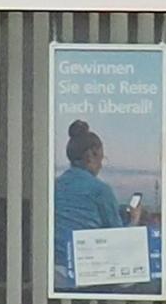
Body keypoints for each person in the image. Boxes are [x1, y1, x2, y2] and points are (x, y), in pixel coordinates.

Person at [51, 117, 123, 291]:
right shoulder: (100, 189)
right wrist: (134, 220)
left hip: (54, 273)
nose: (101, 165)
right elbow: (118, 236)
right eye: (102, 158)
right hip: (88, 274)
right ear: (92, 155)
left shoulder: (54, 186)